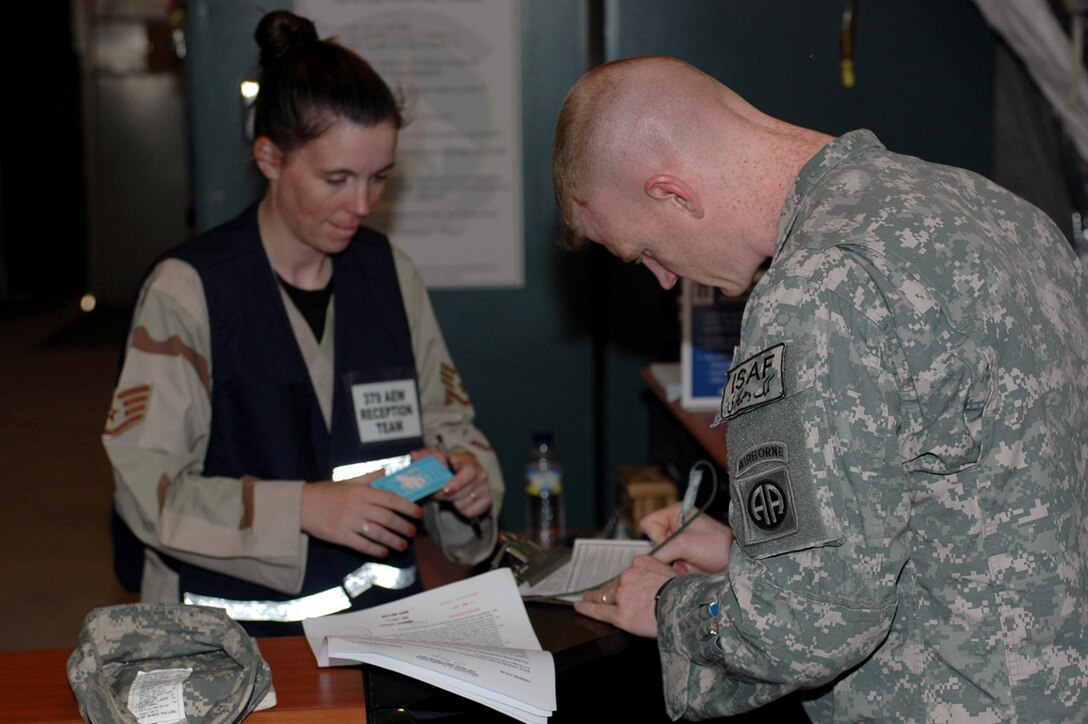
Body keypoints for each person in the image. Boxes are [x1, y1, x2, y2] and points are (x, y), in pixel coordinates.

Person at [553, 56, 1088, 721]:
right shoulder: (999, 214)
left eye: (645, 253)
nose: (663, 280)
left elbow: (803, 627)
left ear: (672, 192)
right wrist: (746, 558)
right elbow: (988, 502)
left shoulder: (816, 288)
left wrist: (669, 607)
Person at [103, 10, 503, 637]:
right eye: (336, 179)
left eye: (379, 179)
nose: (363, 205)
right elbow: (146, 490)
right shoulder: (190, 291)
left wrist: (469, 484)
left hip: (384, 632)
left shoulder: (388, 273)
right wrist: (303, 508)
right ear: (269, 157)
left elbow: (450, 428)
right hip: (232, 641)